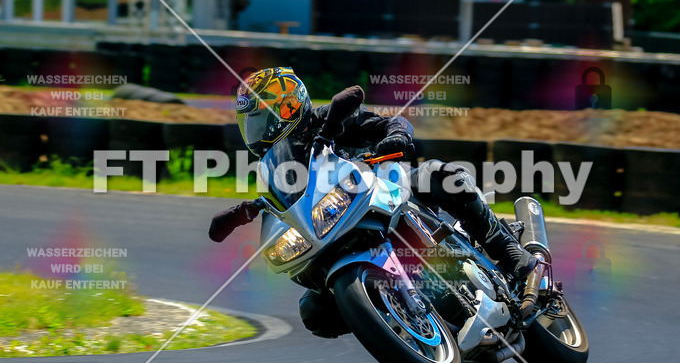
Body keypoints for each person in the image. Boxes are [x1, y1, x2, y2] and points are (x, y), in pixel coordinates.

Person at [208, 67, 537, 338]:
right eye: (249, 124)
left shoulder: (328, 120)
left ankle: (506, 249)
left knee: (441, 175)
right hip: (335, 225)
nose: (254, 131)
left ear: (287, 107)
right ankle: (392, 320)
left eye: (260, 120)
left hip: (386, 189)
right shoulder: (274, 169)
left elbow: (391, 122)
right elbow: (278, 207)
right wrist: (252, 210)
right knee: (315, 312)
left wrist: (396, 137)